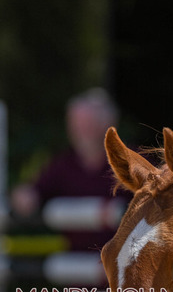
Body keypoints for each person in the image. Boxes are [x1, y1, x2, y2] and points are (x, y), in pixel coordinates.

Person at [11, 88, 129, 251]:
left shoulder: (132, 162)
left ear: (109, 124)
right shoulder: (63, 164)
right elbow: (32, 192)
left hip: (126, 260)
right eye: (76, 123)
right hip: (75, 260)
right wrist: (24, 196)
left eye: (89, 122)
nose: (81, 130)